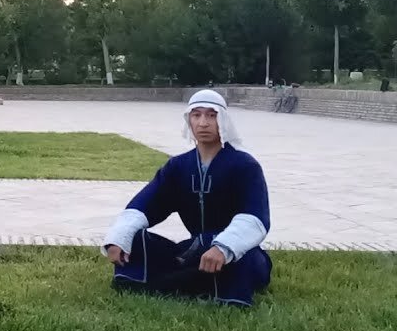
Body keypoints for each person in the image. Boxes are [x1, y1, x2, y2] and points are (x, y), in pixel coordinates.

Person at [101, 89, 272, 307]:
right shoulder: (178, 166)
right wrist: (119, 237)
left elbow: (255, 219)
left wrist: (223, 247)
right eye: (196, 115)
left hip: (236, 253)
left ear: (223, 120)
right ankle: (190, 282)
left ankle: (181, 284)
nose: (203, 123)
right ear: (188, 120)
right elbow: (145, 204)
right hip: (193, 252)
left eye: (212, 115)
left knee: (243, 260)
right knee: (134, 238)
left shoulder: (245, 166)